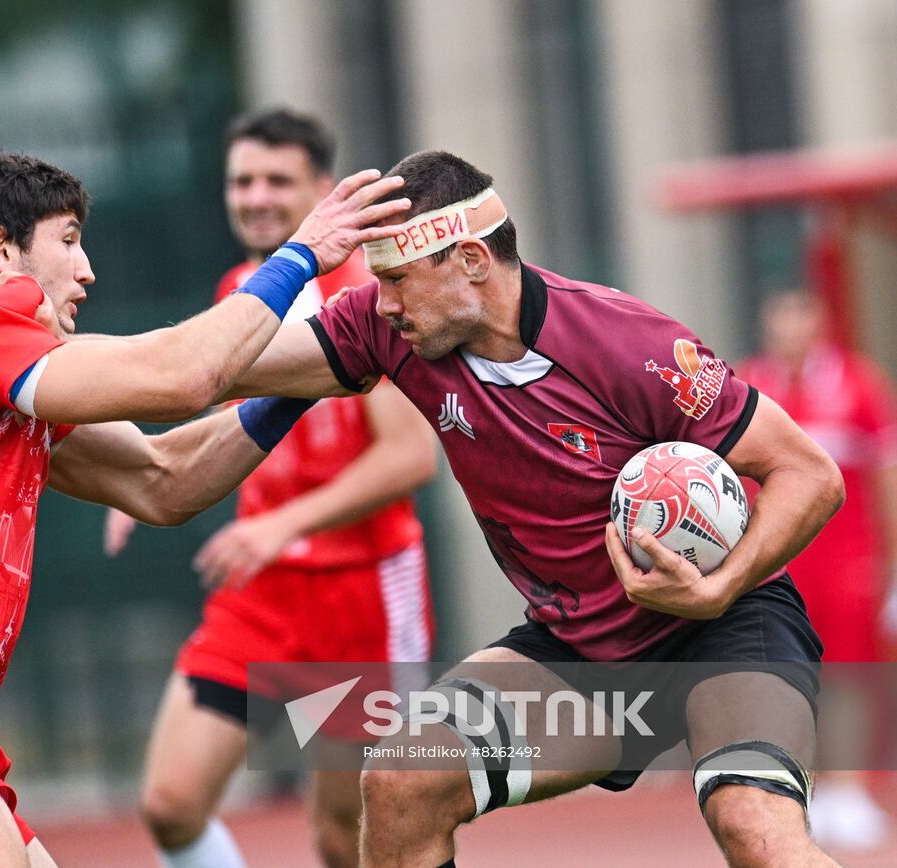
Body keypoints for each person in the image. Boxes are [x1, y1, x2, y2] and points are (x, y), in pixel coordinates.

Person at [0, 149, 409, 867]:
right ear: (1, 251)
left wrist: (315, 378)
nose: (87, 270)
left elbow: (165, 479)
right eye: (68, 240)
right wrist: (302, 256)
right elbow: (183, 374)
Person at [229, 149, 846, 867]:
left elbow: (810, 474)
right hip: (583, 650)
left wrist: (719, 586)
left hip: (728, 625)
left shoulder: (627, 342)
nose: (384, 301)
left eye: (397, 279)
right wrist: (101, 398)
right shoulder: (386, 329)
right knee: (401, 781)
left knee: (754, 828)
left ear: (469, 260)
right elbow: (212, 372)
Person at [103, 109, 436, 868]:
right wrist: (140, 470)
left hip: (359, 597)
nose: (255, 197)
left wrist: (283, 524)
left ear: (323, 190)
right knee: (171, 805)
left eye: (277, 181)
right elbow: (224, 421)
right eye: (242, 181)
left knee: (346, 839)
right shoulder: (241, 292)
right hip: (258, 595)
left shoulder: (372, 296)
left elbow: (410, 457)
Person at [738, 289, 897, 849]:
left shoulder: (859, 385)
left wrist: (893, 564)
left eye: (800, 321)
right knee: (785, 676)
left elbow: (887, 477)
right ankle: (802, 789)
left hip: (849, 558)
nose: (790, 333)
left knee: (848, 674)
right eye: (780, 323)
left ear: (820, 325)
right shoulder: (748, 386)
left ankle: (848, 788)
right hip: (777, 561)